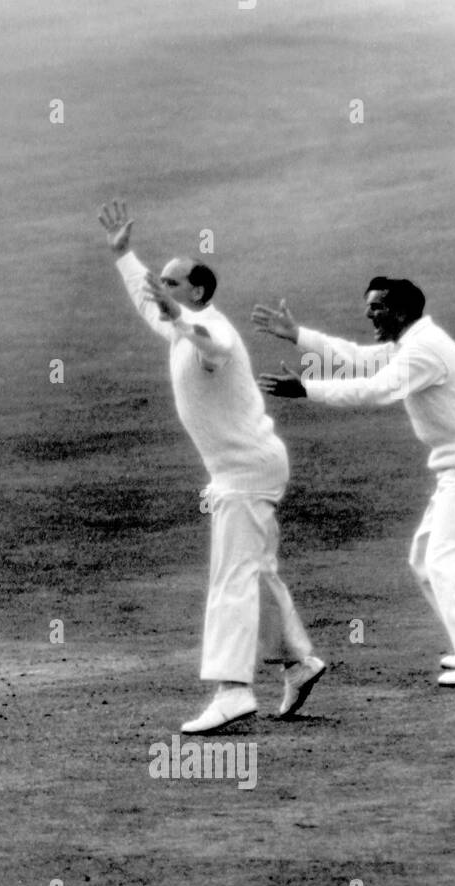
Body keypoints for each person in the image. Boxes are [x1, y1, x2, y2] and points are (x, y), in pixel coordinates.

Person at [98, 198, 325, 732]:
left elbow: (211, 342)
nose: (162, 289)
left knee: (233, 576)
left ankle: (233, 689)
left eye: (172, 284)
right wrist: (125, 256)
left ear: (196, 292)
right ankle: (300, 661)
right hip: (244, 469)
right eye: (163, 283)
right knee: (255, 570)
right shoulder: (178, 325)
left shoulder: (210, 330)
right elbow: (150, 305)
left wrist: (179, 316)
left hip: (247, 470)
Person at [253, 278, 455, 685]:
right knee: (425, 558)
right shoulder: (410, 344)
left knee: (445, 560)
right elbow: (359, 359)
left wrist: (307, 388)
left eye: (377, 307)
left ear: (402, 311)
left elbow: (377, 390)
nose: (368, 314)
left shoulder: (424, 349)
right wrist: (298, 335)